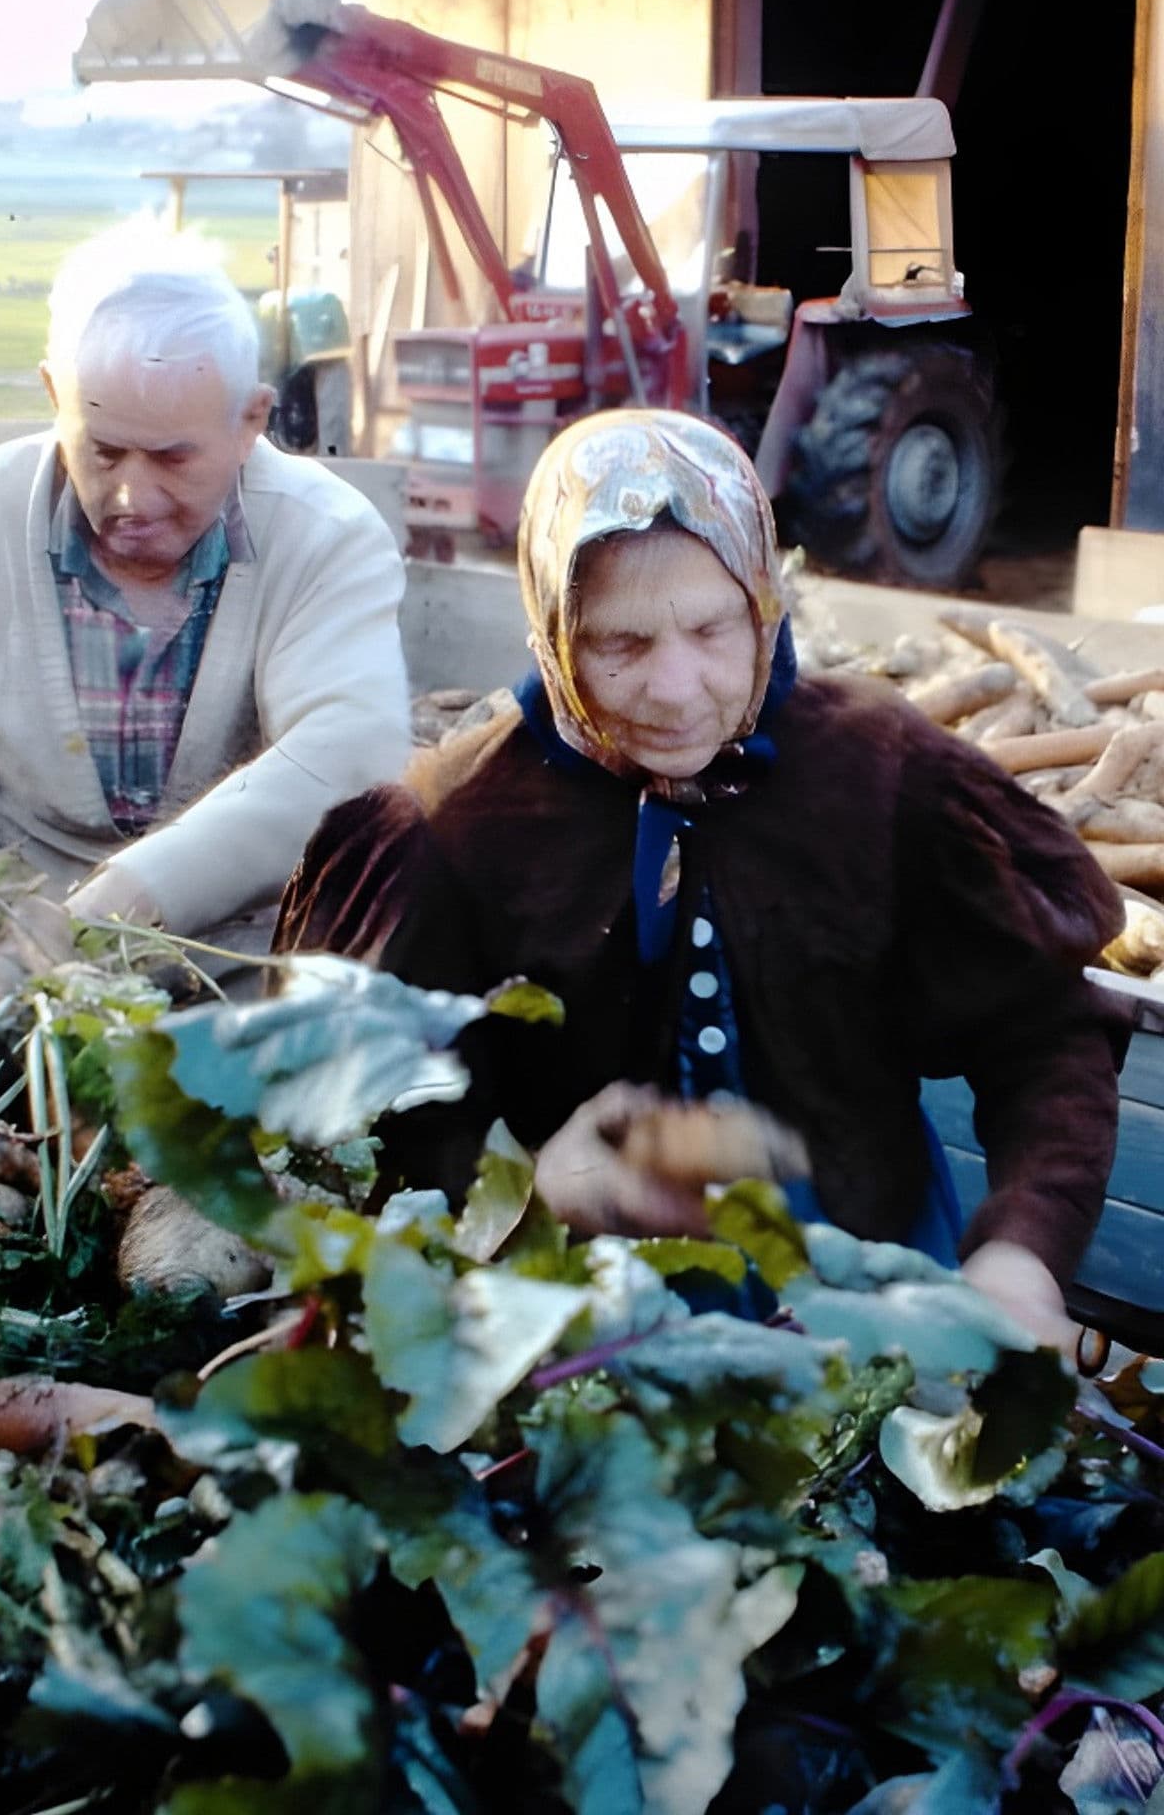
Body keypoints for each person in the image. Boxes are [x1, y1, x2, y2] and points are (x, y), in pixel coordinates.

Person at [274, 409, 1127, 1349]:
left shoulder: (882, 769)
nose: (678, 689)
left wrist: (1019, 1254)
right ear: (552, 632)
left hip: (888, 1301)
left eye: (712, 629)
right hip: (582, 1335)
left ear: (763, 601)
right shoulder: (456, 828)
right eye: (621, 644)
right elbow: (378, 1142)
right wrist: (536, 1194)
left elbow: (1043, 1037)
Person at [0, 221, 409, 941]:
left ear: (252, 419)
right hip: (2, 955)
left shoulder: (327, 535)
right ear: (52, 396)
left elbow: (348, 754)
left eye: (172, 459)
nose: (132, 498)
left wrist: (124, 904)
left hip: (241, 961)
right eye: (102, 452)